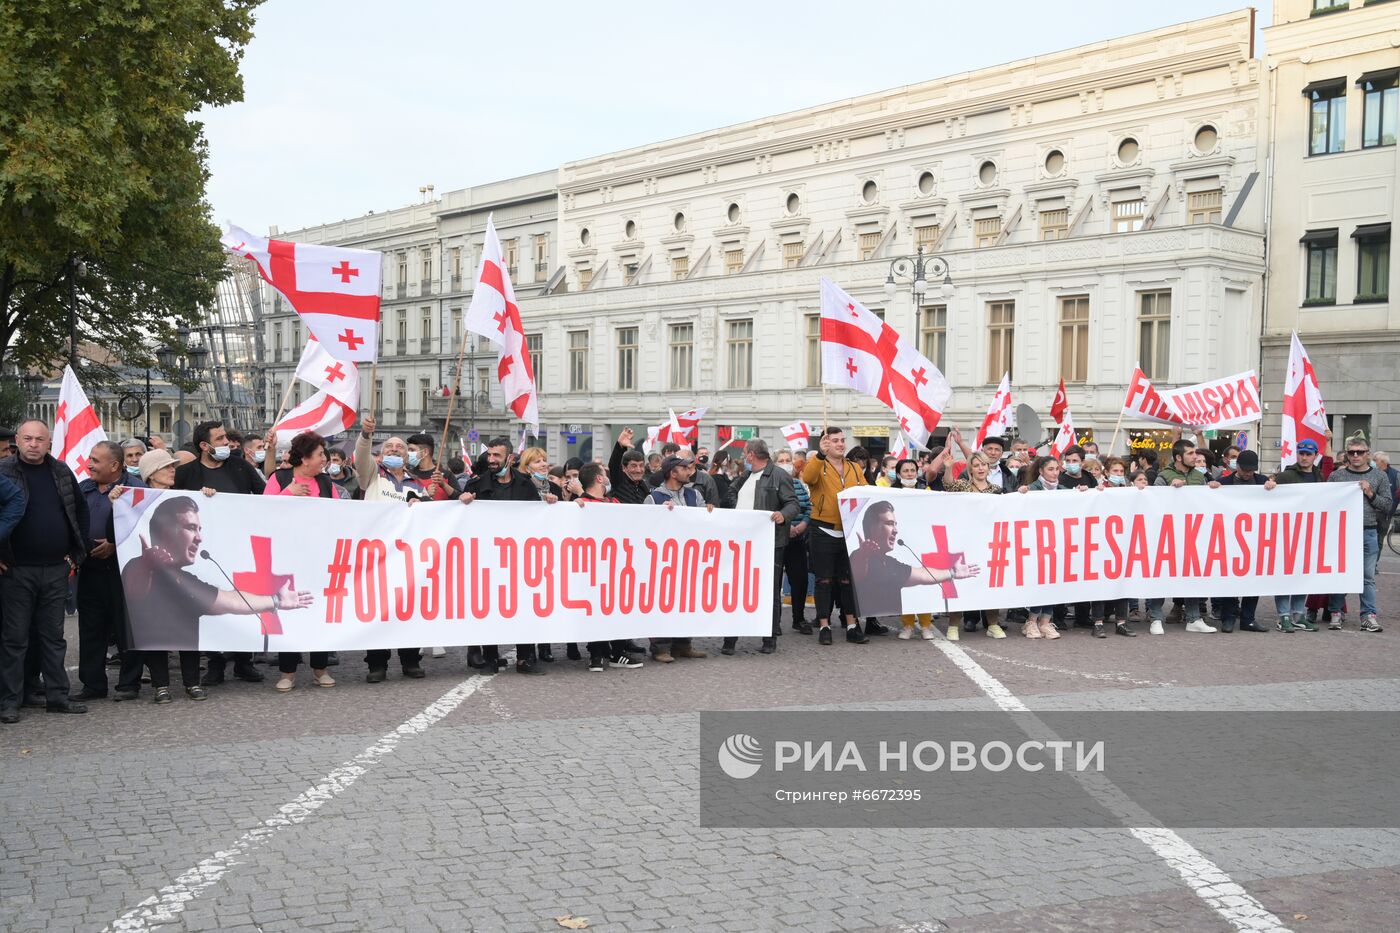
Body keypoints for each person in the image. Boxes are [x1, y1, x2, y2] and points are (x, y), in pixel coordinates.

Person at [121, 496, 314, 654]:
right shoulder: (137, 566)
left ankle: (192, 684)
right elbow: (134, 593)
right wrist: (147, 566)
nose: (199, 538)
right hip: (153, 659)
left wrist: (276, 600)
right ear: (165, 532)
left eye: (199, 529)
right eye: (190, 528)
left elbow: (231, 600)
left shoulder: (186, 580)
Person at [0, 420, 92, 723]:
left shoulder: (61, 471)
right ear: (17, 440)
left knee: (53, 637)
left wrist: (76, 554)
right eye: (27, 438)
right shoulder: (3, 471)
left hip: (55, 568)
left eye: (39, 439)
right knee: (14, 639)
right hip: (16, 569)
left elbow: (79, 510)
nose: (33, 444)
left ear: (49, 442)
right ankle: (10, 702)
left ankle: (58, 697)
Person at [108, 448, 209, 701]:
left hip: (182, 577)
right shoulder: (134, 500)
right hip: (151, 577)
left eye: (173, 465)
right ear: (152, 473)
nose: (173, 469)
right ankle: (160, 685)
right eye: (166, 466)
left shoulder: (186, 497)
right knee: (154, 629)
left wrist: (209, 497)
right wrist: (116, 503)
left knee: (187, 625)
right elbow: (115, 535)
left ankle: (192, 682)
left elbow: (208, 513)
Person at [175, 420, 268, 686]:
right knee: (208, 604)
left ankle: (243, 661)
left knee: (242, 603)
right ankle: (214, 662)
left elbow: (264, 496)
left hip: (238, 547)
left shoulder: (240, 467)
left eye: (226, 438)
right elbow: (175, 503)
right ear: (204, 446)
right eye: (219, 439)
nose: (226, 443)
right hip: (203, 552)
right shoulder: (187, 473)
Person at [465, 437, 556, 674]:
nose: (491, 460)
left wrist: (549, 502)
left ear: (510, 458)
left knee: (524, 607)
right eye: (490, 455)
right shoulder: (475, 485)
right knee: (489, 608)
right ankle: (491, 658)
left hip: (519, 558)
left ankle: (525, 658)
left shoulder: (526, 485)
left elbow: (537, 518)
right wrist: (462, 502)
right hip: (487, 557)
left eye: (497, 455)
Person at [355, 414, 430, 680]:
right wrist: (365, 436)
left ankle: (410, 660)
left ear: (408, 456)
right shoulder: (372, 476)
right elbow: (360, 458)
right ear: (380, 453)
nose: (395, 450)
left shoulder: (417, 485)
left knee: (409, 610)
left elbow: (433, 518)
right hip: (377, 555)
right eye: (389, 447)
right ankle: (377, 663)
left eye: (400, 448)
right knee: (379, 612)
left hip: (407, 558)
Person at [262, 432, 339, 690]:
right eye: (319, 455)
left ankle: (320, 668)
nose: (324, 460)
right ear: (305, 459)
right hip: (287, 558)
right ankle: (287, 671)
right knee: (290, 611)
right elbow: (260, 511)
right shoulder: (280, 478)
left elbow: (343, 516)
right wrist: (287, 493)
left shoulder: (326, 483)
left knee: (318, 612)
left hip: (319, 558)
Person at [71, 442, 141, 701]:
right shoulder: (84, 488)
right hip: (89, 568)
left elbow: (144, 524)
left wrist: (115, 544)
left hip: (123, 569)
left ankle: (129, 684)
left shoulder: (136, 488)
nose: (89, 464)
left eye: (95, 460)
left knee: (126, 627)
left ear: (114, 466)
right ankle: (93, 685)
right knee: (91, 628)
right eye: (90, 459)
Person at [720, 440, 799, 655]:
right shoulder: (745, 476)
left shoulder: (779, 476)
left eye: (745, 453)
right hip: (743, 542)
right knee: (737, 589)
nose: (744, 457)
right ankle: (730, 639)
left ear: (752, 455)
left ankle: (769, 636)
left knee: (770, 590)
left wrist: (783, 515)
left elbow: (793, 504)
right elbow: (731, 494)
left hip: (769, 542)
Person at [801, 428, 872, 645]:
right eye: (835, 441)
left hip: (849, 530)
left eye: (842, 440)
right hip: (823, 529)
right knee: (823, 579)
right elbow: (808, 477)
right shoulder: (818, 465)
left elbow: (866, 492)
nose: (840, 444)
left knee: (847, 579)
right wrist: (820, 456)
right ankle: (824, 625)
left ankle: (852, 625)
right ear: (826, 443)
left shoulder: (853, 468)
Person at [848, 501, 978, 618]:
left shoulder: (891, 563)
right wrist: (863, 555)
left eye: (895, 524)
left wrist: (952, 572)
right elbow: (858, 574)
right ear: (872, 527)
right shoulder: (858, 556)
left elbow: (922, 574)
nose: (895, 530)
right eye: (889, 524)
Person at [573, 462, 644, 672]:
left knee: (615, 610)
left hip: (614, 566)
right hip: (591, 567)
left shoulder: (613, 502)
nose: (607, 476)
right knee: (594, 610)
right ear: (599, 479)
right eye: (604, 474)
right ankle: (596, 654)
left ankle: (616, 651)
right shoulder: (579, 504)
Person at [645, 455, 714, 661]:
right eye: (684, 468)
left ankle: (683, 644)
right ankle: (660, 647)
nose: (688, 471)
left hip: (689, 557)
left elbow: (704, 522)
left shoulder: (694, 494)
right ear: (672, 473)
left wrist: (710, 513)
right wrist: (661, 514)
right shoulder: (654, 498)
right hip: (664, 559)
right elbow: (645, 527)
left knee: (687, 600)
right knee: (663, 602)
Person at [1149, 439, 1219, 634]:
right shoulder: (1164, 476)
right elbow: (1152, 502)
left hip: (1192, 533)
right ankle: (1156, 618)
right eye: (1190, 453)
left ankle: (1194, 618)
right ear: (1178, 457)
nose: (1195, 456)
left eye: (1195, 453)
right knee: (1161, 575)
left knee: (1192, 576)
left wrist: (1212, 489)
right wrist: (1168, 490)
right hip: (1167, 533)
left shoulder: (1200, 476)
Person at [1327, 435, 1390, 633]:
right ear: (1346, 454)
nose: (1355, 456)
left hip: (1368, 531)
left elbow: (1387, 505)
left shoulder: (1379, 476)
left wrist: (1370, 493)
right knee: (1340, 573)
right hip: (1342, 532)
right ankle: (1336, 613)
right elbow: (1325, 501)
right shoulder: (1337, 476)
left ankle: (1368, 615)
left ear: (1367, 454)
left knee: (1367, 576)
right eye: (1351, 452)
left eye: (1360, 452)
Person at [944, 451, 1006, 639]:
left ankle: (992, 624)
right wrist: (948, 468)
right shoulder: (963, 485)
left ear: (988, 468)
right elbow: (948, 485)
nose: (980, 468)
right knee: (961, 582)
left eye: (984, 465)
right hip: (964, 541)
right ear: (970, 468)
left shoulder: (996, 489)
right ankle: (953, 625)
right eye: (977, 465)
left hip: (988, 542)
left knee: (990, 584)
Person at [1215, 451, 1274, 634]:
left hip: (1255, 537)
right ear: (1237, 466)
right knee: (1229, 579)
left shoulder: (1262, 481)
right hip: (1230, 537)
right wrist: (1211, 488)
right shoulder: (1224, 483)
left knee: (1253, 579)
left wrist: (1273, 486)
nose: (1248, 473)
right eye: (1245, 470)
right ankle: (1228, 617)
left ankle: (1248, 618)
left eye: (1251, 470)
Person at [1018, 455, 1065, 639]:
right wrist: (1021, 494)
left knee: (1053, 582)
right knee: (1041, 582)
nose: (1054, 473)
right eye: (1050, 469)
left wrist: (1083, 492)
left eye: (1056, 469)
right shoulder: (1032, 489)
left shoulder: (1062, 490)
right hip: (1037, 543)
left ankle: (1045, 622)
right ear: (1041, 471)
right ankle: (1031, 621)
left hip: (1057, 544)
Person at [1091, 457, 1138, 637]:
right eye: (1115, 471)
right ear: (1106, 472)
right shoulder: (1098, 489)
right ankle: (1098, 622)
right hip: (1101, 541)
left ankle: (1121, 622)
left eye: (1121, 472)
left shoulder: (1127, 491)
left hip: (1122, 542)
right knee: (1100, 583)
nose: (1118, 475)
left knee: (1122, 583)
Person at [773, 448, 812, 635]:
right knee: (776, 581)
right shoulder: (771, 484)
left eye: (788, 459)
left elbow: (807, 508)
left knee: (800, 580)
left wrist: (803, 524)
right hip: (777, 539)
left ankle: (799, 618)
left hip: (797, 539)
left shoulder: (798, 484)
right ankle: (775, 621)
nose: (786, 463)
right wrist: (785, 527)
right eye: (781, 460)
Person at [406, 432, 456, 501]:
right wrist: (426, 495)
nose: (408, 453)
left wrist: (444, 485)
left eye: (412, 450)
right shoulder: (408, 476)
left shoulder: (446, 475)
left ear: (425, 452)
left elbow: (459, 498)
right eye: (408, 450)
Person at [608, 427, 651, 504]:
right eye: (634, 466)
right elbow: (613, 465)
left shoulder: (645, 487)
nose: (638, 470)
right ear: (624, 468)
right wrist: (620, 446)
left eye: (641, 465)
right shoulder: (619, 482)